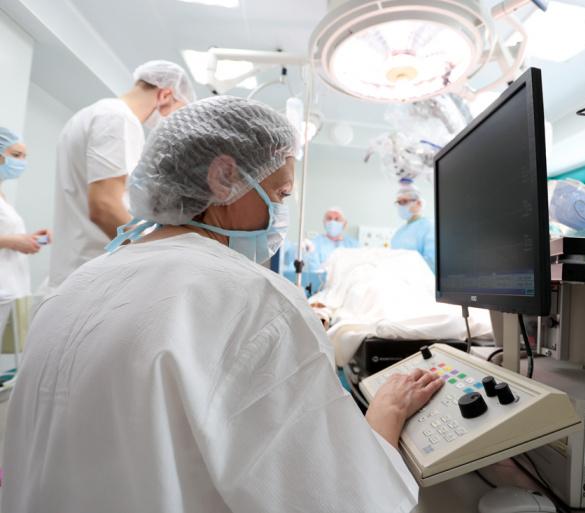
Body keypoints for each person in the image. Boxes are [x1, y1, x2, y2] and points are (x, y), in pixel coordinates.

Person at [2, 97, 442, 513]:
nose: (280, 215)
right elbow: (345, 500)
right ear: (224, 177)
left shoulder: (73, 286)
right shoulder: (254, 299)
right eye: (280, 194)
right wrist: (387, 412)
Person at [47, 60, 195, 288]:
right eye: (177, 113)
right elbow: (104, 206)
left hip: (77, 271)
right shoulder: (117, 118)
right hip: (93, 275)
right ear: (165, 95)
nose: (172, 123)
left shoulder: (90, 115)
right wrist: (155, 259)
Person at [0, 128, 52, 334]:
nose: (21, 161)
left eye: (24, 156)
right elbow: (8, 239)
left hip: (8, 289)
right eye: (16, 155)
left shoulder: (2, 195)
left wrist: (29, 239)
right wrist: (14, 241)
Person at [391, 182, 436, 273]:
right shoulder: (399, 232)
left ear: (418, 203)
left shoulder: (429, 227)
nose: (400, 206)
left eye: (404, 201)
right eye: (398, 202)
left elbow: (432, 264)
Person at [306, 206, 359, 271]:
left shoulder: (353, 245)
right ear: (324, 222)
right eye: (329, 219)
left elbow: (357, 269)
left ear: (344, 223)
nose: (332, 222)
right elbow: (314, 270)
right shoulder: (315, 244)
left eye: (337, 219)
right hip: (323, 277)